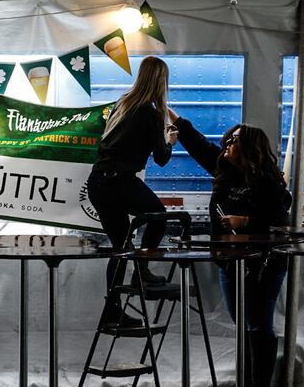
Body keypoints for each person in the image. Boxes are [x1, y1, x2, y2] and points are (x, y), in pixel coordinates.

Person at [168, 107, 291, 387]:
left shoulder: (267, 180)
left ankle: (258, 382)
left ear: (250, 148)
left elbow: (280, 216)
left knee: (259, 324)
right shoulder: (224, 169)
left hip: (264, 264)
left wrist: (245, 220)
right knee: (243, 323)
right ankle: (247, 379)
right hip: (230, 260)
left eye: (235, 140)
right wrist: (167, 110)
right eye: (228, 140)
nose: (228, 144)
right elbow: (197, 143)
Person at [87, 56, 178, 325]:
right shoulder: (149, 112)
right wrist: (170, 140)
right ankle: (143, 271)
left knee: (120, 247)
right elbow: (161, 158)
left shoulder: (124, 104)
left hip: (99, 183)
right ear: (162, 81)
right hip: (119, 182)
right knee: (158, 216)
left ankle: (112, 310)